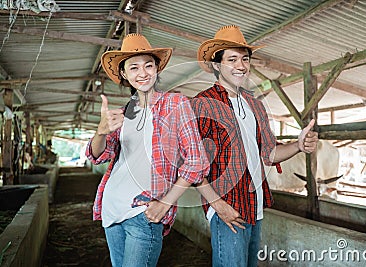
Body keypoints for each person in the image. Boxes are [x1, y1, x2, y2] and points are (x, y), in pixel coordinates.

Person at [191, 25, 319, 267]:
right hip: (227, 207)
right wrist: (218, 206)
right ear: (216, 65)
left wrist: (298, 145)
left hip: (254, 203)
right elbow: (191, 164)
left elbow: (269, 153)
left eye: (245, 59)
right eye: (232, 59)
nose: (241, 66)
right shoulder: (203, 104)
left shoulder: (255, 105)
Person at [86, 33, 209, 267]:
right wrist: (100, 132)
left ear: (157, 69)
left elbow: (196, 160)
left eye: (148, 65)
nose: (142, 73)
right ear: (124, 74)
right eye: (134, 68)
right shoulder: (123, 113)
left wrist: (165, 203)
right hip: (112, 209)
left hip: (144, 213)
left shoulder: (175, 104)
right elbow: (98, 155)